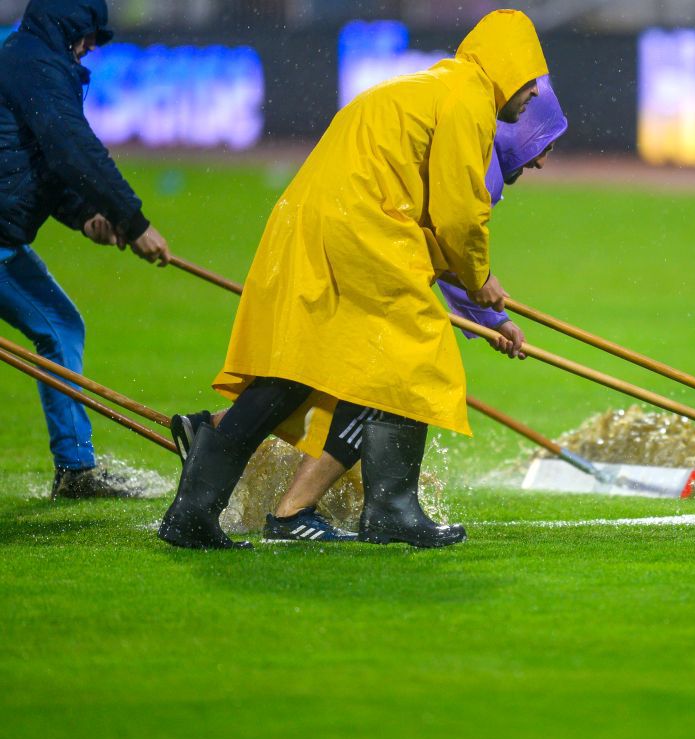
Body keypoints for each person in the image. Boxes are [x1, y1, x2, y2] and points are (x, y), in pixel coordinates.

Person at [158, 9, 549, 550]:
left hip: (312, 214)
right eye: (531, 81)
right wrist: (480, 280)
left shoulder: (437, 85)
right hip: (361, 223)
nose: (532, 95)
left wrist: (484, 303)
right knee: (409, 351)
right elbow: (460, 214)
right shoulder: (469, 99)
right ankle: (391, 510)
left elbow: (437, 218)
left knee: (298, 364)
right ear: (509, 69)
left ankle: (195, 504)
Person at [0, 0, 172, 498]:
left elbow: (41, 166)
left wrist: (86, 217)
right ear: (71, 26)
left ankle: (75, 471)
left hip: (6, 243)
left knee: (61, 326)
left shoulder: (29, 59)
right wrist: (132, 220)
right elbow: (73, 148)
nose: (92, 47)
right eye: (91, 35)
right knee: (58, 327)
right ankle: (75, 470)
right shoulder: (36, 65)